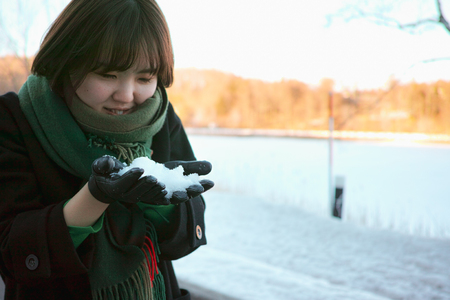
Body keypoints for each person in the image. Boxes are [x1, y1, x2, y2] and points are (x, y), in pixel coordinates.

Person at [0, 0, 214, 299]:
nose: (126, 95)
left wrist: (161, 201)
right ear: (67, 62)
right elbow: (12, 254)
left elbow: (183, 242)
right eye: (108, 75)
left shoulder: (162, 119)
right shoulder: (15, 119)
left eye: (144, 78)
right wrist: (94, 197)